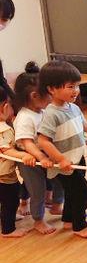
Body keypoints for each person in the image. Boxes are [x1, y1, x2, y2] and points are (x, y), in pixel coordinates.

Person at [37, 60, 87, 238]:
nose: (76, 91)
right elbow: (43, 141)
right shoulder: (51, 113)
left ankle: (68, 220)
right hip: (65, 164)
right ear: (52, 89)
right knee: (82, 193)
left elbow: (84, 125)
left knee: (73, 193)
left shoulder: (72, 107)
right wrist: (61, 159)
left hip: (78, 157)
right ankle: (79, 226)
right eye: (70, 86)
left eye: (77, 86)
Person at [13, 61, 64, 234]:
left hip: (44, 155)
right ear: (35, 96)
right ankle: (38, 220)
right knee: (38, 190)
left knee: (60, 179)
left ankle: (57, 205)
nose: (51, 98)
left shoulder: (42, 112)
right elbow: (27, 143)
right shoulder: (25, 117)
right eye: (48, 94)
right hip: (30, 159)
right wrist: (41, 158)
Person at [0, 86, 37, 238]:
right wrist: (23, 155)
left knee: (5, 200)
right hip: (4, 176)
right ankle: (8, 229)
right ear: (6, 107)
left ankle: (6, 217)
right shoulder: (3, 129)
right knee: (10, 201)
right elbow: (4, 150)